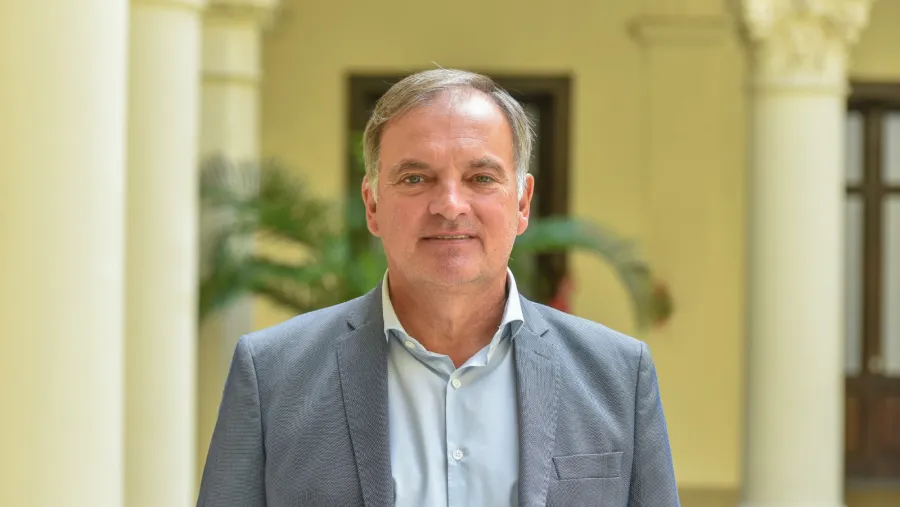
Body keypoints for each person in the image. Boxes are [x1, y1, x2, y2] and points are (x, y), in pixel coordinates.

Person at [196, 68, 680, 507]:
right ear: (372, 204)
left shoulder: (617, 376)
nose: (450, 205)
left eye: (481, 177)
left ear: (522, 203)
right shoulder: (272, 375)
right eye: (415, 178)